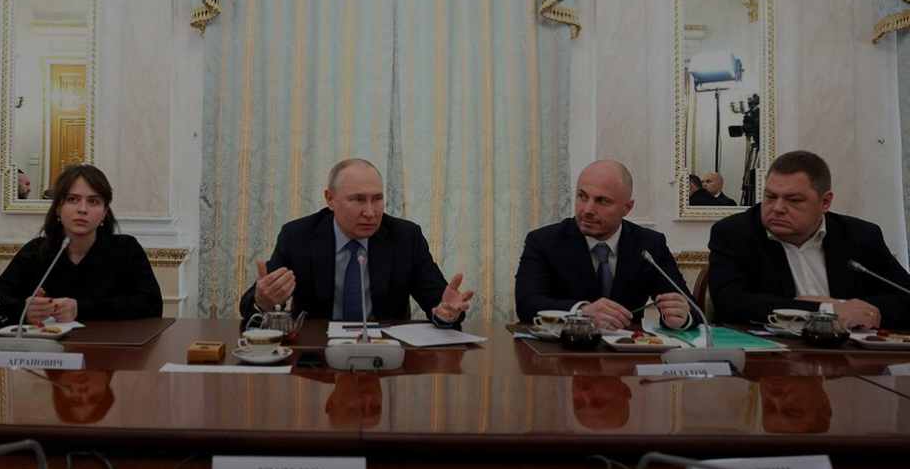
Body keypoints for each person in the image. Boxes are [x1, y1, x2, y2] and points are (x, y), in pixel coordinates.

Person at [239, 158, 472, 324]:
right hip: (317, 354)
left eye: (377, 199)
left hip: (387, 355)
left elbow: (441, 302)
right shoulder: (298, 236)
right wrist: (262, 302)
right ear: (330, 199)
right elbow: (255, 302)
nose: (370, 212)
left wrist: (447, 313)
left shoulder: (405, 237)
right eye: (358, 199)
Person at [708, 150, 910, 329]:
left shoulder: (861, 236)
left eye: (793, 200)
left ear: (825, 202)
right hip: (771, 352)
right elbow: (730, 303)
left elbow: (905, 297)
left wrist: (860, 312)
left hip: (852, 352)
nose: (777, 208)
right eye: (770, 197)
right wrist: (827, 310)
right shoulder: (734, 233)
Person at [515, 160, 696, 331]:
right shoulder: (544, 241)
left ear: (627, 207)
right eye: (582, 196)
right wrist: (582, 312)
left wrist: (680, 317)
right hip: (561, 349)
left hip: (628, 349)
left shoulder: (649, 245)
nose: (587, 210)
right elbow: (527, 304)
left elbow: (691, 309)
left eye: (602, 201)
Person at [0, 164, 162, 322]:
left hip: (108, 345)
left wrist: (80, 308)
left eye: (93, 201)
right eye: (73, 199)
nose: (82, 209)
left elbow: (152, 304)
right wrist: (24, 309)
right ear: (58, 207)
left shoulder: (126, 249)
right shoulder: (36, 250)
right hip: (47, 347)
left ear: (104, 212)